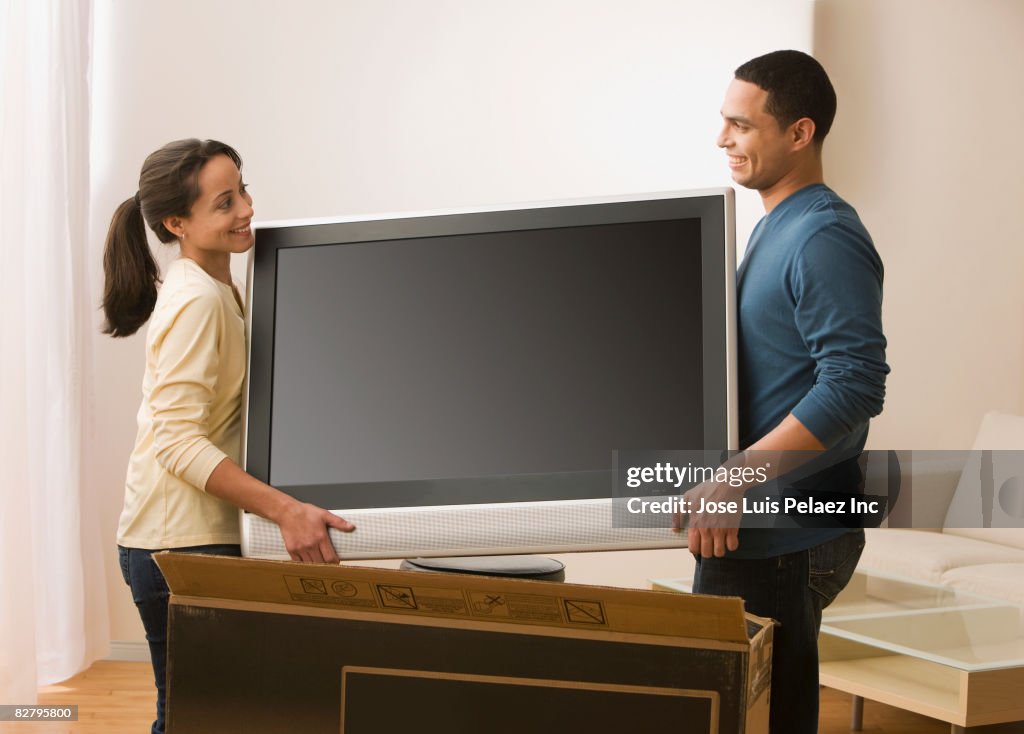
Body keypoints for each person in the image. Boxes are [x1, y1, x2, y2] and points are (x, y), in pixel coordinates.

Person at [102, 138, 356, 734]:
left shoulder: (217, 287)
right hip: (177, 548)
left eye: (241, 189)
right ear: (177, 223)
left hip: (183, 540)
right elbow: (176, 441)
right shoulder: (197, 300)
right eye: (224, 202)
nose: (245, 209)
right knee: (196, 718)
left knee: (214, 714)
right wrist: (287, 511)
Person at [683, 51, 889, 733]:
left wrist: (735, 481)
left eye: (741, 125)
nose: (723, 139)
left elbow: (854, 384)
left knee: (763, 718)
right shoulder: (777, 223)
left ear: (799, 133)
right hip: (753, 528)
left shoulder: (824, 234)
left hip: (786, 535)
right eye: (724, 122)